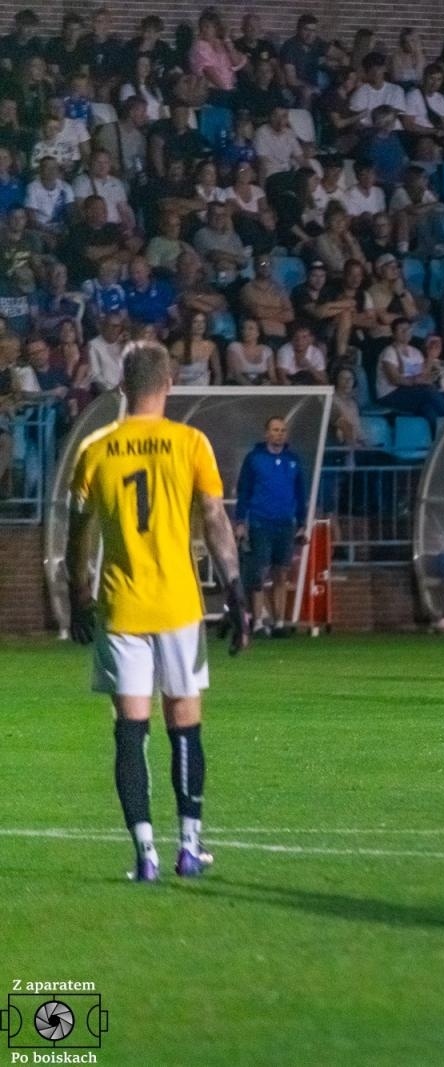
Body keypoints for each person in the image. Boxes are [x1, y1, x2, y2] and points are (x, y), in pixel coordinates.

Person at [66, 342, 249, 881]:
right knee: (185, 726)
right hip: (178, 607)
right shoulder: (191, 442)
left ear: (122, 387)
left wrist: (78, 596)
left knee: (131, 729)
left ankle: (144, 854)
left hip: (121, 606)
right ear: (169, 384)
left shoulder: (95, 449)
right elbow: (214, 519)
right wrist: (236, 591)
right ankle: (189, 846)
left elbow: (79, 535)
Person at [234, 416, 310, 638]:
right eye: (275, 430)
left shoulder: (293, 460)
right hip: (260, 521)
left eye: (283, 430)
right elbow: (244, 491)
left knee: (281, 573)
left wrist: (302, 522)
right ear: (266, 433)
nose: (279, 434)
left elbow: (300, 493)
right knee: (259, 573)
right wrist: (240, 521)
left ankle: (279, 622)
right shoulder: (254, 459)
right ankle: (257, 621)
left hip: (285, 523)